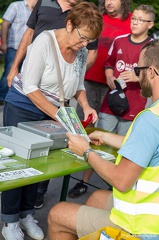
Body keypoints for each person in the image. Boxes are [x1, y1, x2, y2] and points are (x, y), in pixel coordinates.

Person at [1, 2, 103, 240]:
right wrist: (59, 115)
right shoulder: (44, 42)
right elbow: (30, 87)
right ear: (69, 25)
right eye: (83, 38)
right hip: (24, 106)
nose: (85, 44)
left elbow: (77, 86)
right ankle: (9, 221)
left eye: (90, 40)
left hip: (52, 111)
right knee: (18, 167)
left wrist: (86, 105)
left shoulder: (81, 50)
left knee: (40, 166)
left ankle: (26, 214)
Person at [48, 39, 159, 240]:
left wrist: (86, 151)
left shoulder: (150, 119)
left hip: (142, 228)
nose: (137, 74)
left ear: (151, 71)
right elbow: (148, 148)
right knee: (97, 197)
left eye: (139, 68)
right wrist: (104, 135)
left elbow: (122, 181)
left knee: (57, 214)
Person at [68, 0, 132, 198]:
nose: (108, 2)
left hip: (111, 87)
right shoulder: (96, 17)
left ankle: (111, 181)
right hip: (87, 80)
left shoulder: (132, 21)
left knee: (105, 132)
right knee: (82, 126)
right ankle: (78, 178)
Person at [7, 0, 98, 88]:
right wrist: (14, 67)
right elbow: (30, 33)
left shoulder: (87, 11)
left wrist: (72, 78)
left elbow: (92, 52)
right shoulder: (43, 1)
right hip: (31, 70)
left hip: (58, 85)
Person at [98, 4, 155, 135]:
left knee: (123, 144)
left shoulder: (152, 48)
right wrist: (109, 76)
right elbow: (109, 64)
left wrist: (137, 77)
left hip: (134, 105)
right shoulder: (119, 40)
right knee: (100, 139)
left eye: (140, 20)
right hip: (110, 102)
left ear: (150, 25)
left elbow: (155, 76)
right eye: (133, 18)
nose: (135, 23)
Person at [0, 0, 38, 106]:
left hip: (30, 50)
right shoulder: (15, 6)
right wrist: (4, 43)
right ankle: (1, 96)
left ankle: (16, 98)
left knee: (24, 75)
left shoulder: (38, 9)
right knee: (9, 72)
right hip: (14, 47)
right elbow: (5, 24)